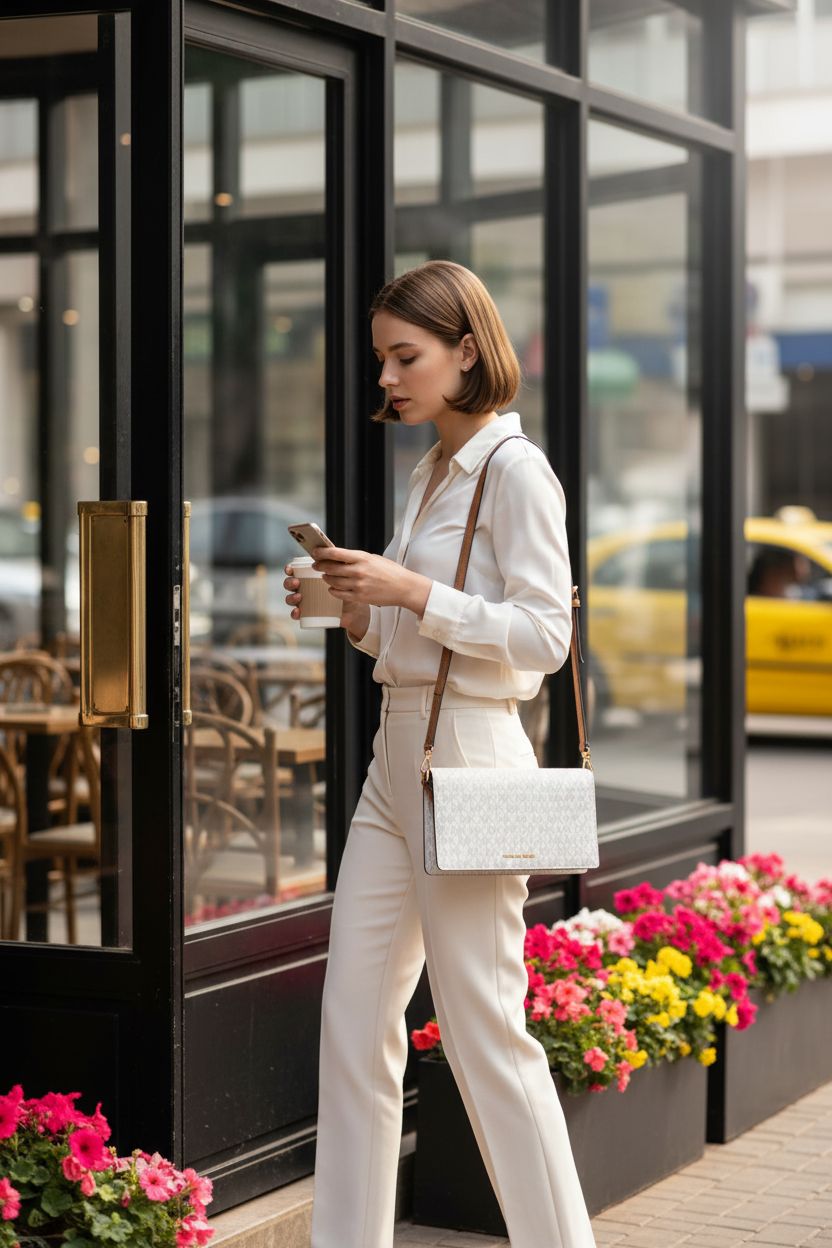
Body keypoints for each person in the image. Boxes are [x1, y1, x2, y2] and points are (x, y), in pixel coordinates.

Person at [283, 260, 597, 1248]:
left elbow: (544, 637)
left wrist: (410, 592)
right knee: (352, 1027)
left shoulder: (515, 470)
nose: (387, 375)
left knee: (483, 1037)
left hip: (468, 754)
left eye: (404, 355)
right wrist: (351, 608)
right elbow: (410, 643)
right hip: (397, 753)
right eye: (381, 358)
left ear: (468, 349)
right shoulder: (429, 471)